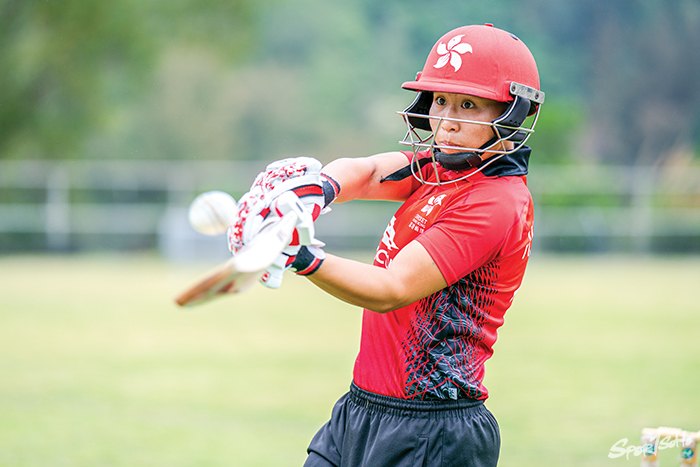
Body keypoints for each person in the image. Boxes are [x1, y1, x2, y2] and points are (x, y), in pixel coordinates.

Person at [229, 23, 544, 467]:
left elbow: (391, 289)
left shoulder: (496, 201)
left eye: (468, 105)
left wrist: (297, 255)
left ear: (511, 113)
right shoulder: (446, 167)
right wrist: (315, 191)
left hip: (433, 430)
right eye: (440, 100)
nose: (447, 121)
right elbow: (369, 170)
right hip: (363, 410)